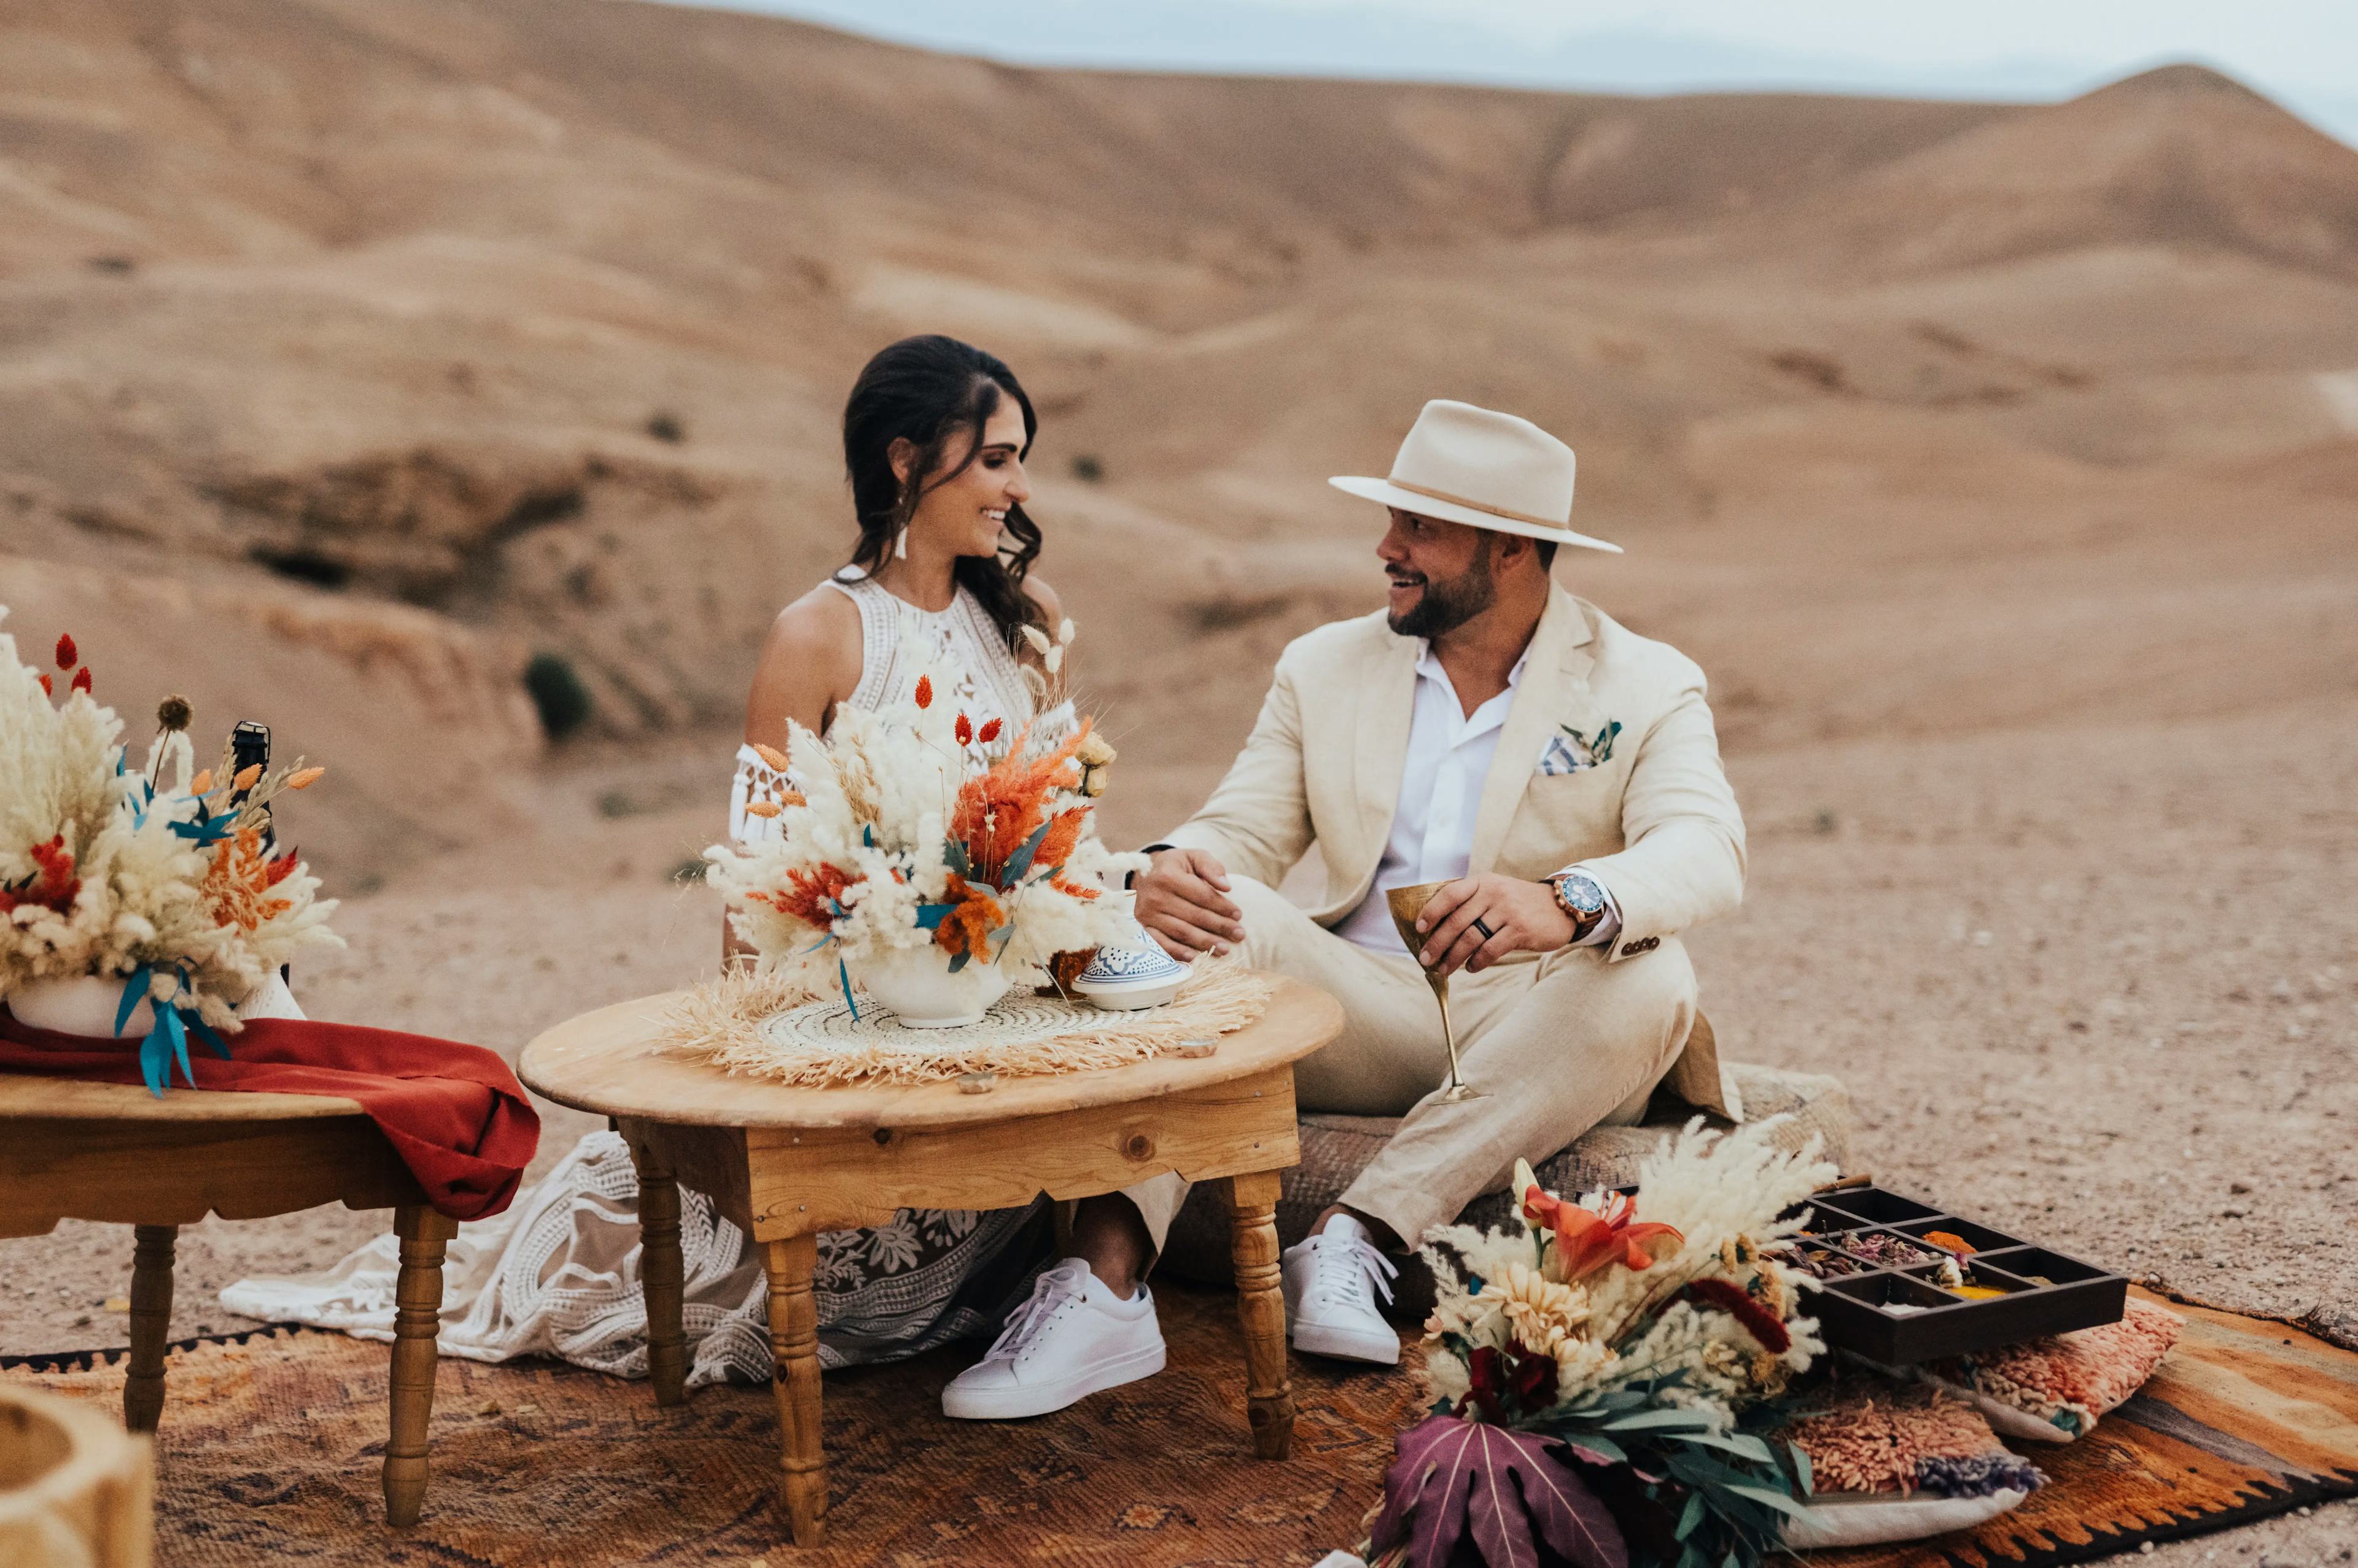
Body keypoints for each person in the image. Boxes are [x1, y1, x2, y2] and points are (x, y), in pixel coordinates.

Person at [225, 335, 1064, 1382]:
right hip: (859, 1022)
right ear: (905, 459)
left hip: (997, 1010)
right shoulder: (818, 633)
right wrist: (752, 1077)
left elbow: (1048, 829)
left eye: (1018, 459)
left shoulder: (1020, 632)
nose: (1018, 487)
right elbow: (758, 874)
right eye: (993, 458)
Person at [939, 398, 1745, 1416]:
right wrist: (1166, 868)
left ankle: (1360, 1235)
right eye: (1393, 522)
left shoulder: (1649, 680)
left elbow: (1706, 847)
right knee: (1211, 910)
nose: (1387, 548)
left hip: (1541, 1018)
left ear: (1508, 548)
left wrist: (1564, 900)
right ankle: (1103, 1292)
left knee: (1657, 970)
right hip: (1352, 1009)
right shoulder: (1321, 665)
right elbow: (1241, 832)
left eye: (1420, 528)